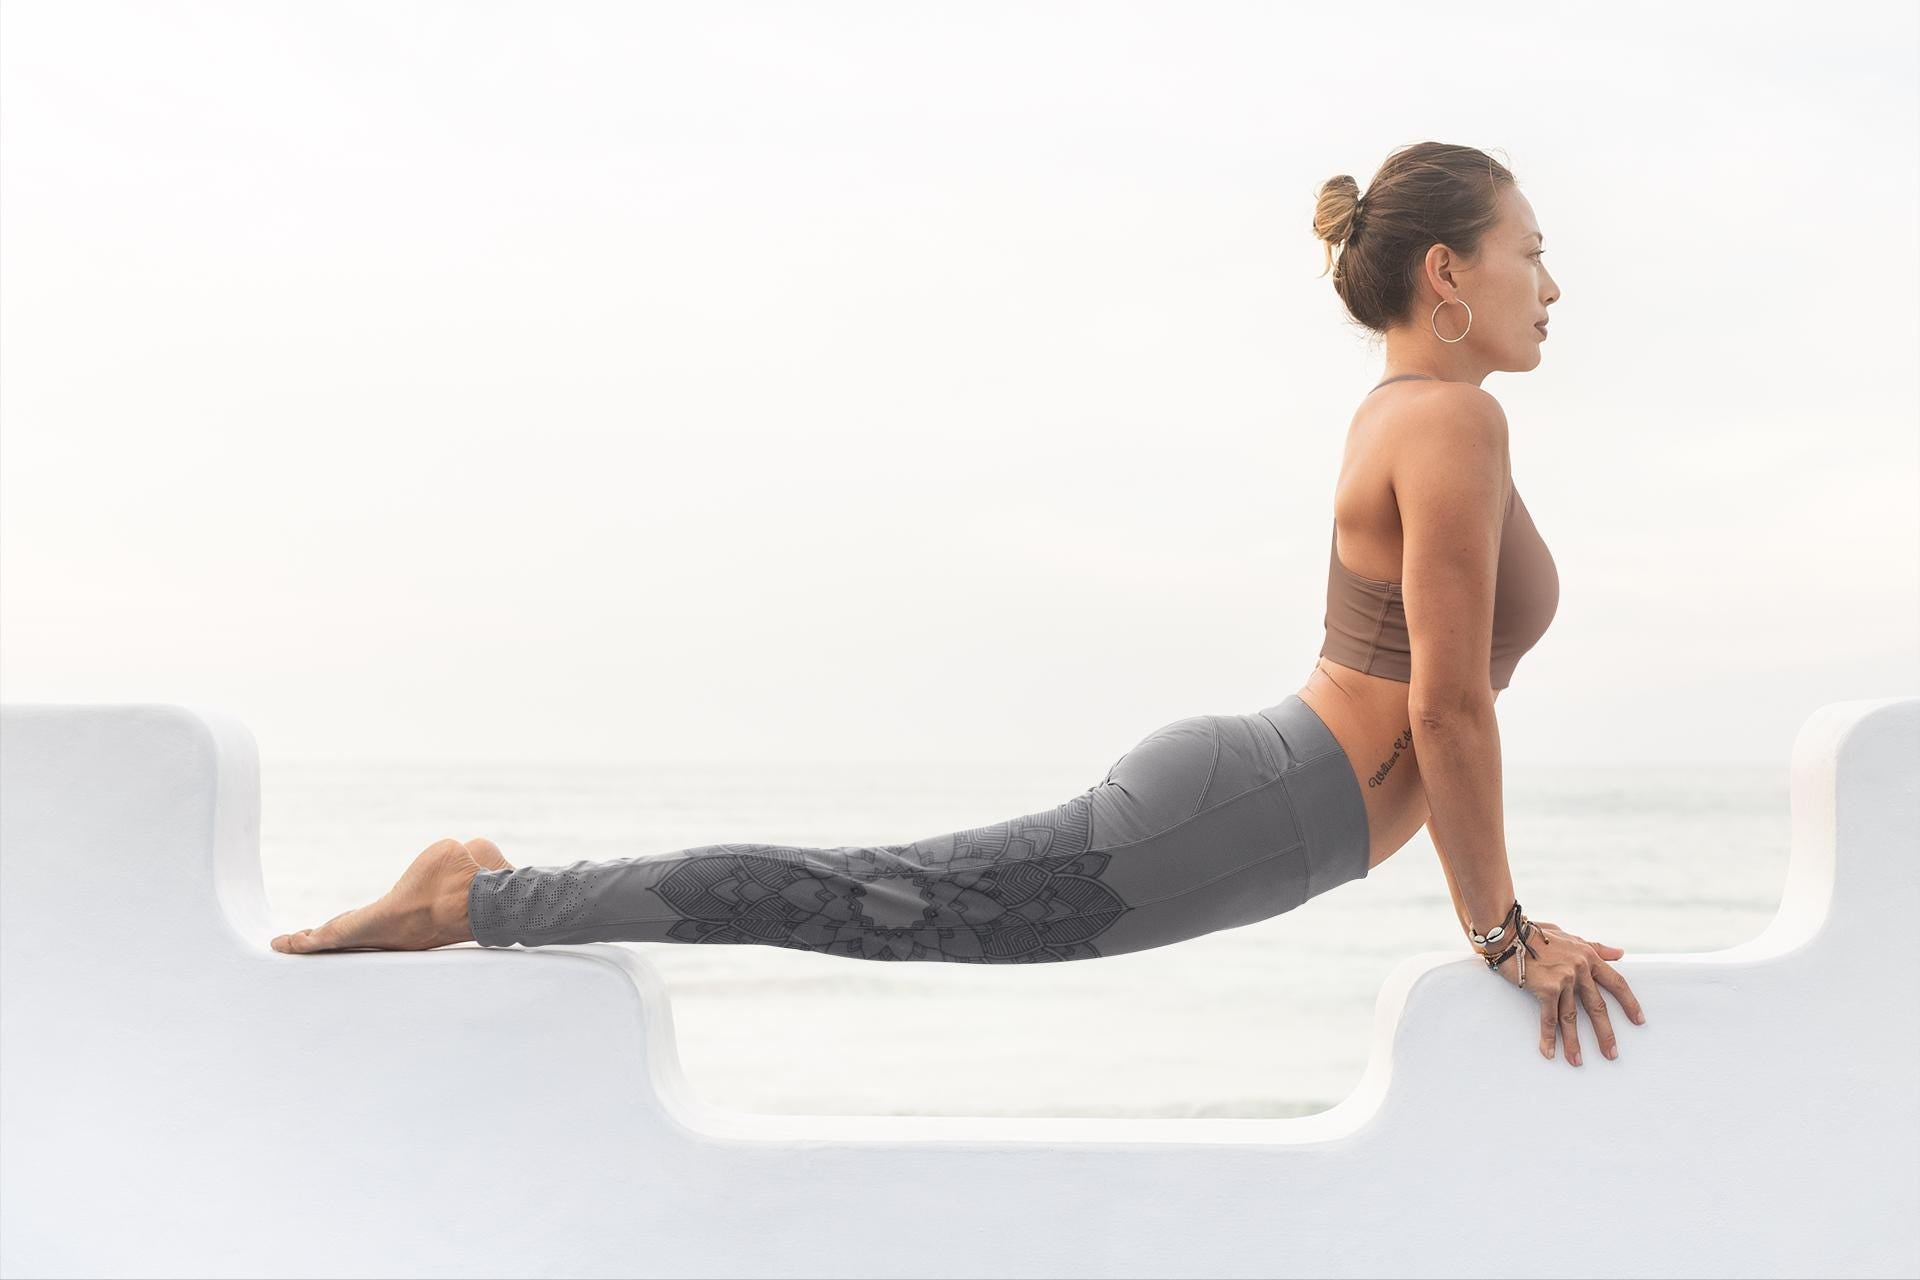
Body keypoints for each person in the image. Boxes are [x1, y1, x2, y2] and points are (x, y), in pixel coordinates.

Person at [271, 140, 1646, 1067]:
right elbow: (1450, 709)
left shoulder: (1419, 414)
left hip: (1256, 810)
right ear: (1447, 273)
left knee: (871, 898)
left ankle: (491, 893)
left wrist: (1499, 924)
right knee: (861, 897)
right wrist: (1503, 937)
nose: (1555, 279)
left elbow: (1444, 701)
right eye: (1532, 248)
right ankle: (475, 899)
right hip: (1240, 810)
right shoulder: (1448, 426)